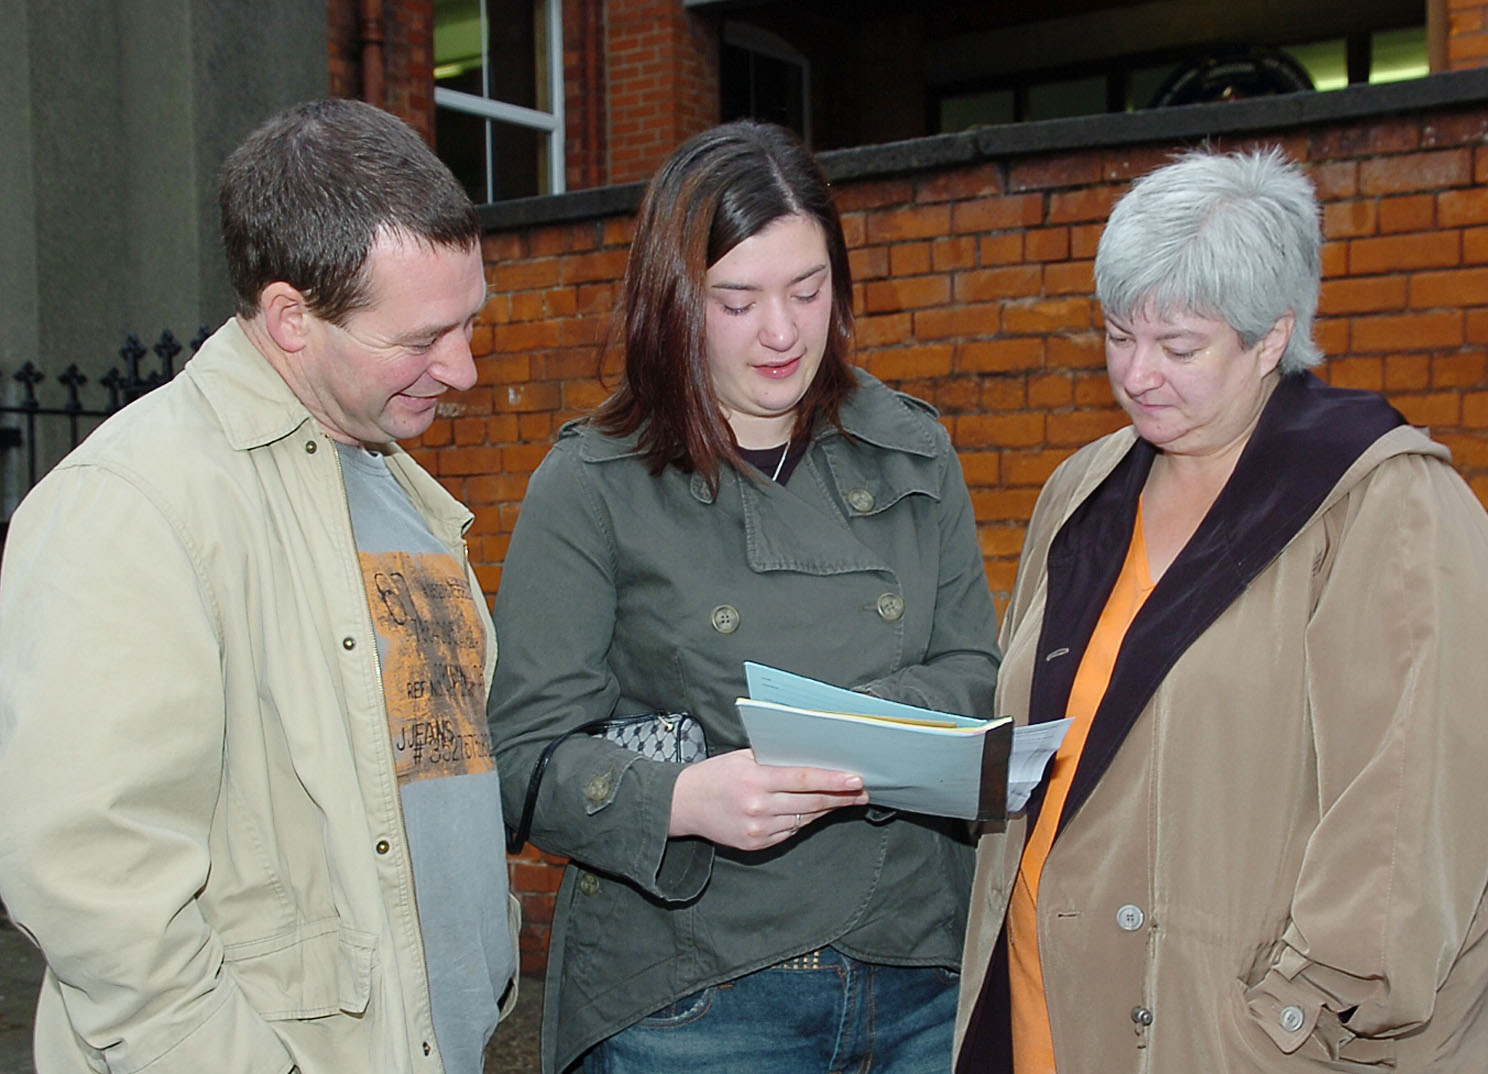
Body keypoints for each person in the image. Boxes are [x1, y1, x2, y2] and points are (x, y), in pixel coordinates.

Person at [0, 98, 517, 1074]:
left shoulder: (396, 483)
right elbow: (92, 877)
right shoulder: (134, 502)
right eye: (421, 339)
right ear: (290, 318)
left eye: (469, 322)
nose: (463, 368)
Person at [954, 147, 1488, 1073]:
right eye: (1118, 335)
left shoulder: (1384, 500)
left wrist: (1298, 1018)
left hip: (1237, 1038)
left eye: (1179, 347)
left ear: (1272, 338)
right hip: (1045, 1011)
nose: (1137, 374)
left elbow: (1409, 811)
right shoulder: (1084, 488)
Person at [488, 119, 1001, 1074]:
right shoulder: (593, 484)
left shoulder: (913, 452)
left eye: (808, 290)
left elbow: (977, 670)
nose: (782, 331)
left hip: (916, 966)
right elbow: (521, 759)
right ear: (673, 302)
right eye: (737, 300)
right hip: (695, 996)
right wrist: (681, 799)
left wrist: (856, 733)